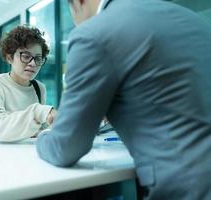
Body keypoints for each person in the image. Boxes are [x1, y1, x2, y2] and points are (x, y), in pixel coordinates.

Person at [36, 0, 211, 199]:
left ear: (78, 2)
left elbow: (65, 147)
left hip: (190, 187)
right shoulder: (188, 17)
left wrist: (43, 137)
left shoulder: (92, 33)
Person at [0, 25, 55, 142]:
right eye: (26, 56)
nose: (33, 63)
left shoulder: (39, 88)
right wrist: (39, 112)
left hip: (25, 154)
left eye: (38, 58)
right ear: (9, 58)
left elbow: (38, 126)